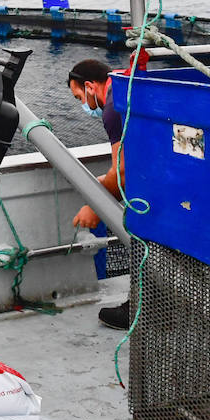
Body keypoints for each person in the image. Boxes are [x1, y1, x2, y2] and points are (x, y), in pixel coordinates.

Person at [67, 58, 129, 330]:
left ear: (91, 87)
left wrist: (95, 207)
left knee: (144, 240)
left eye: (80, 96)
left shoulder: (113, 109)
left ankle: (141, 310)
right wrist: (108, 180)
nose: (83, 104)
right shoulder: (124, 86)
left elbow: (124, 171)